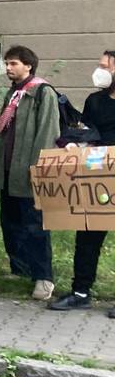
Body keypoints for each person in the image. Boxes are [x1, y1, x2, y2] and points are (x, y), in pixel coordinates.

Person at [0, 45, 61, 301]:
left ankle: (43, 277)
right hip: (9, 171)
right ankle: (20, 268)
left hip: (29, 171)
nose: (8, 68)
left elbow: (48, 133)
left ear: (28, 65)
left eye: (14, 63)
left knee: (35, 226)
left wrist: (39, 169)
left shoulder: (42, 92)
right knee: (10, 222)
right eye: (7, 63)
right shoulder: (14, 93)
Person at [49, 50, 115, 315]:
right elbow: (88, 131)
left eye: (104, 66)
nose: (99, 71)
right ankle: (80, 292)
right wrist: (75, 142)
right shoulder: (95, 100)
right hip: (97, 175)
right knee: (88, 235)